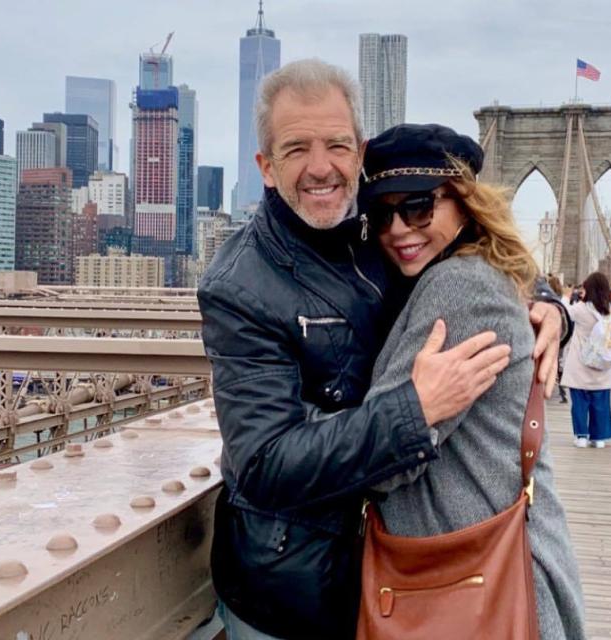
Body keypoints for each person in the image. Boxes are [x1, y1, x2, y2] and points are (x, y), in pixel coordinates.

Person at [197, 59, 568, 640]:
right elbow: (265, 462)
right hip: (297, 592)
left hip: (416, 577)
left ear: (359, 151)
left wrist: (547, 305)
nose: (321, 168)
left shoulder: (379, 236)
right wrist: (413, 412)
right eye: (296, 149)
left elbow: (470, 268)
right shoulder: (238, 284)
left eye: (337, 146)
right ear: (266, 168)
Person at [360, 123, 585, 639]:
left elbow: (381, 463)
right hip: (486, 575)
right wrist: (554, 308)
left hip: (469, 587)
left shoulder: (457, 285)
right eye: (381, 212)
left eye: (418, 207)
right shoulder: (474, 270)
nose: (398, 228)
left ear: (462, 203)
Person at [562, 272, 611, 448]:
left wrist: (566, 295)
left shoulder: (581, 309)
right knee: (601, 402)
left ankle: (581, 436)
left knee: (579, 402)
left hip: (581, 362)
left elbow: (564, 312)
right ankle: (599, 437)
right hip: (603, 362)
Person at [549, 274, 570, 403]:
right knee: (558, 363)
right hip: (560, 336)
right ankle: (562, 392)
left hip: (548, 335)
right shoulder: (562, 300)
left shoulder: (547, 299)